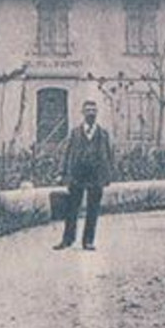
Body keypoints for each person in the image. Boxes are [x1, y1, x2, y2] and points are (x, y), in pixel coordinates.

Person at [55, 99, 115, 251]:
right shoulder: (75, 133)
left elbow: (109, 155)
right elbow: (66, 153)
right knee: (72, 209)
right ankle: (67, 239)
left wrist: (108, 175)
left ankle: (88, 241)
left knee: (93, 210)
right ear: (83, 113)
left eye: (93, 111)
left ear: (97, 113)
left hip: (96, 176)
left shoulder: (103, 134)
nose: (91, 113)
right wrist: (61, 173)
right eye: (88, 110)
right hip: (77, 175)